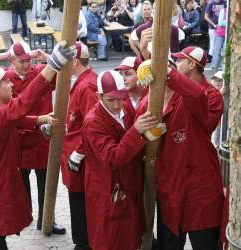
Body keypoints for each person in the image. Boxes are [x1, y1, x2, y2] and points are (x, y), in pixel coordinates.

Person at [137, 46, 224, 250]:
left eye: (179, 61)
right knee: (169, 244)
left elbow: (200, 106)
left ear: (192, 64)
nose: (175, 65)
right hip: (172, 184)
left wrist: (168, 74)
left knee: (205, 244)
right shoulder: (169, 92)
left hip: (199, 186)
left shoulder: (210, 95)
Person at [0, 41, 74, 250]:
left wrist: (40, 122)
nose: (10, 85)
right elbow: (21, 106)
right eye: (5, 83)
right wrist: (52, 64)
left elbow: (17, 126)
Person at [82, 69, 160, 250]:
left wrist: (150, 133)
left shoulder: (125, 107)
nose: (117, 105)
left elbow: (134, 141)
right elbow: (111, 158)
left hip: (128, 184)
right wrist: (137, 131)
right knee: (110, 239)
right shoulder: (93, 121)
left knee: (130, 237)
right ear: (99, 96)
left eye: (120, 98)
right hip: (107, 188)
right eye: (111, 100)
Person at [7, 41, 66, 235]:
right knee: (21, 184)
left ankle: (46, 218)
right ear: (12, 60)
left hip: (42, 138)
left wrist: (48, 57)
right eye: (22, 61)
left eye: (28, 60)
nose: (26, 64)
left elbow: (64, 73)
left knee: (46, 182)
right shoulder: (5, 80)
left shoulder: (40, 70)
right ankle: (25, 217)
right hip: (20, 140)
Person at [60, 42, 98, 250]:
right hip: (74, 153)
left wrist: (79, 153)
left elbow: (93, 126)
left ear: (74, 62)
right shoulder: (83, 82)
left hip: (80, 157)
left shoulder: (88, 86)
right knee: (77, 200)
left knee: (80, 201)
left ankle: (84, 243)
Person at [115, 56, 146, 122]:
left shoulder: (151, 94)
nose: (123, 78)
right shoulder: (116, 98)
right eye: (120, 74)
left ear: (141, 75)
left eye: (128, 74)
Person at [210, 70, 225, 148]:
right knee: (214, 143)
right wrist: (220, 93)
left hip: (222, 123)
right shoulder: (211, 91)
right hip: (214, 122)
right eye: (215, 80)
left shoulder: (227, 93)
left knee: (219, 143)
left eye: (220, 80)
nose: (217, 82)